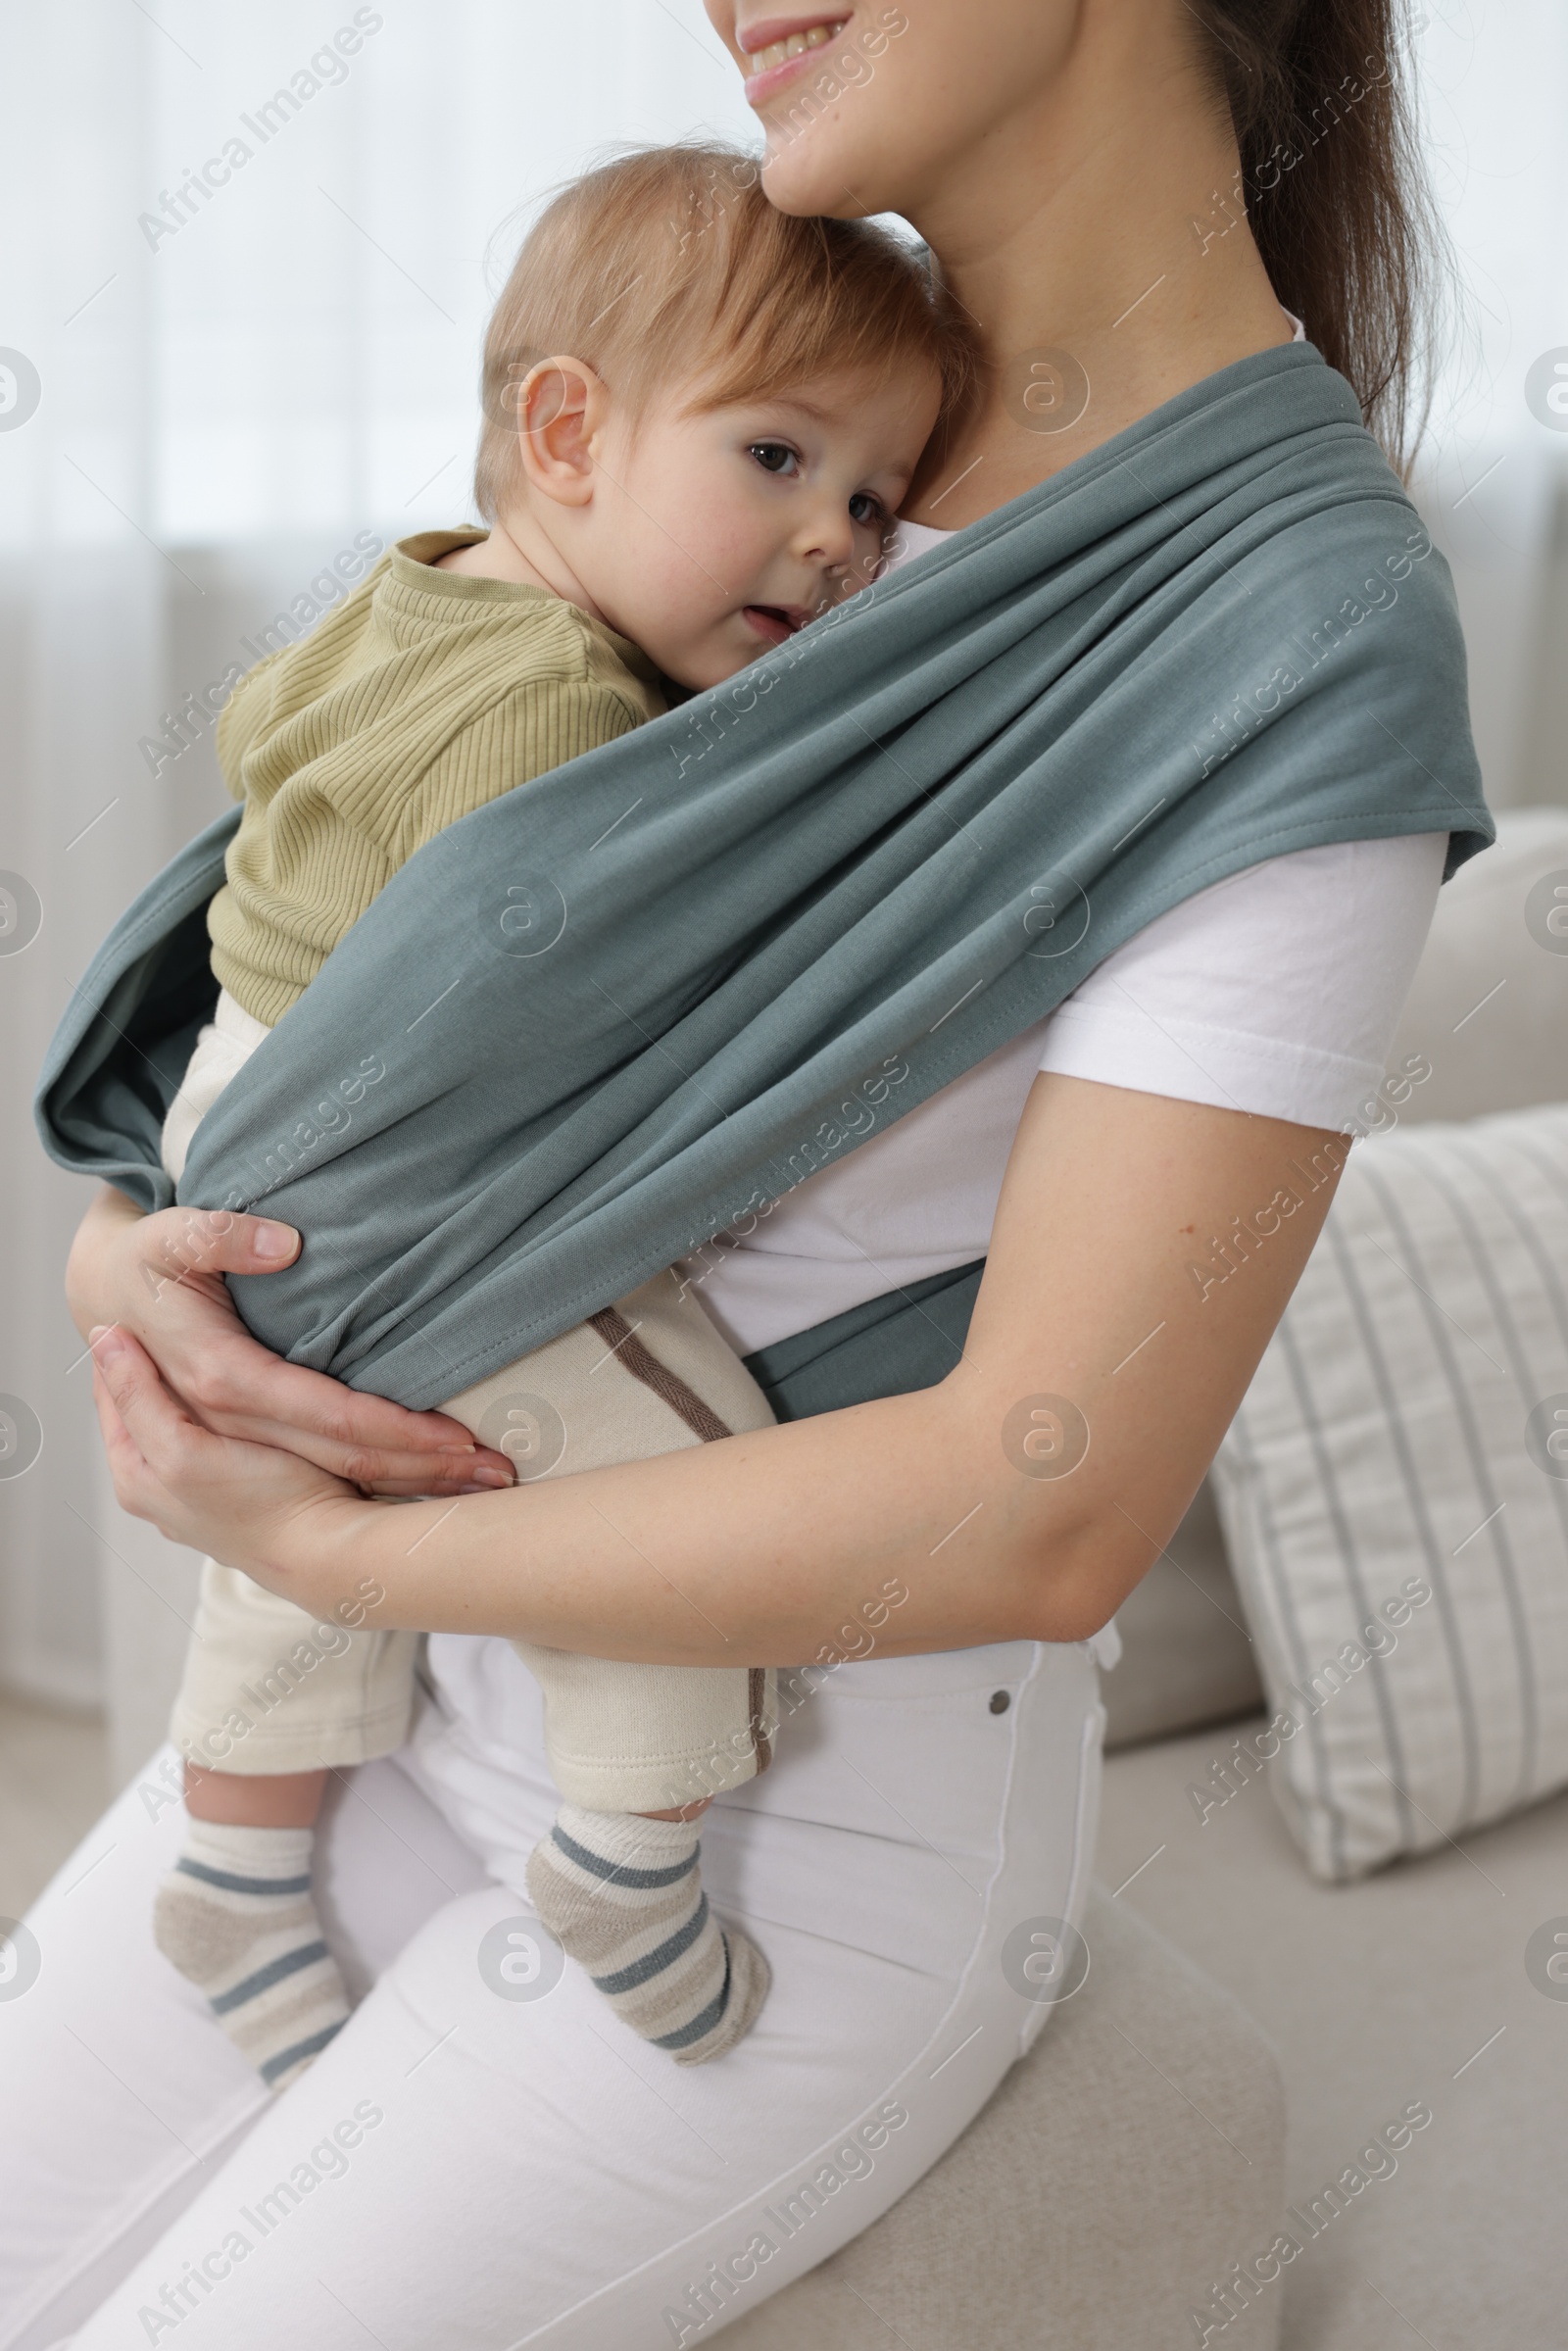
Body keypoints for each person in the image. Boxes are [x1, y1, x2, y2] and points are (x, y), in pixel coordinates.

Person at [1, 3, 1483, 2344]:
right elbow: (329, 952)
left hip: (783, 1852)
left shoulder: (1282, 627)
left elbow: (1044, 1499)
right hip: (374, 1731)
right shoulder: (774, 382)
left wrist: (322, 1545)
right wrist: (143, 1264)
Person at [146, 144, 970, 2093]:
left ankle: (237, 1868)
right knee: (669, 1471)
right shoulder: (564, 717)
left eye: (868, 496)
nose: (836, 545)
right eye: (774, 460)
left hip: (240, 1112)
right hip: (377, 1164)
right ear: (568, 429)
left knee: (314, 1478)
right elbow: (574, 1020)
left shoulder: (413, 598)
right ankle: (626, 1851)